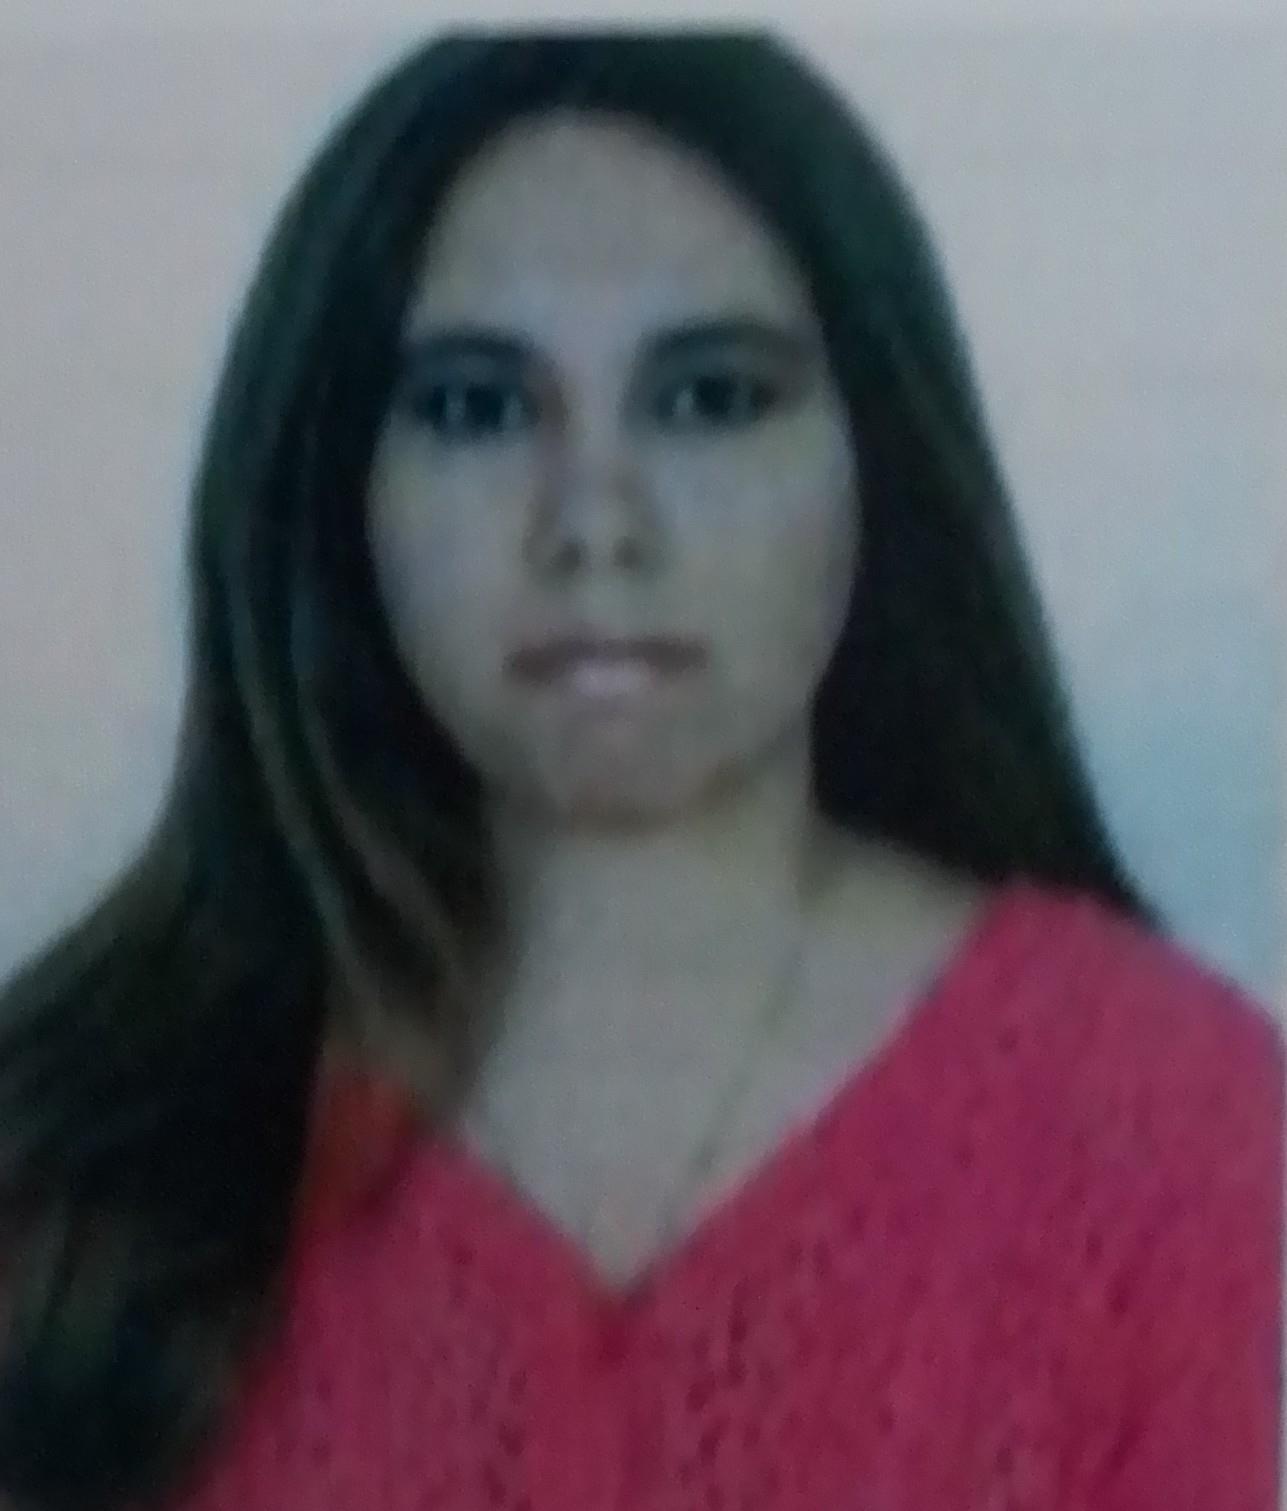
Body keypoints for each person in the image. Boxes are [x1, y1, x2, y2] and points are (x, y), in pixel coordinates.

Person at [0, 27, 1279, 1511]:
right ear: (336, 489)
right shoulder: (79, 1153)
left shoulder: (1159, 1119)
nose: (596, 524)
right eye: (478, 408)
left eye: (710, 398)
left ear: (875, 460)